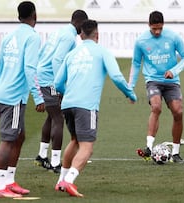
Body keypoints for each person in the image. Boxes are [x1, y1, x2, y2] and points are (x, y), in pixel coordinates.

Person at [53, 20, 137, 197]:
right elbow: (116, 75)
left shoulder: (72, 54)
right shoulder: (102, 52)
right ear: (97, 35)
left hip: (68, 103)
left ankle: (61, 180)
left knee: (75, 140)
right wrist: (130, 94)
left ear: (81, 35)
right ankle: (69, 181)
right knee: (87, 147)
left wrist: (69, 94)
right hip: (86, 106)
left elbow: (58, 83)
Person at [0, 1, 45, 198]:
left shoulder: (9, 36)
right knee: (9, 139)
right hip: (13, 96)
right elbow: (30, 68)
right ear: (34, 15)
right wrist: (39, 97)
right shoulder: (32, 37)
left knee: (19, 136)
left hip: (5, 93)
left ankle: (9, 181)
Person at [128, 11, 184, 163]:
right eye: (154, 29)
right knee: (156, 107)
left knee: (178, 112)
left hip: (171, 81)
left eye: (160, 29)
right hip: (153, 80)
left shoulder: (173, 37)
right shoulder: (141, 41)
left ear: (163, 26)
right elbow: (136, 64)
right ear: (149, 25)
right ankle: (149, 148)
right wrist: (130, 86)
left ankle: (175, 153)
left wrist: (174, 71)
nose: (157, 32)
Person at [35, 9, 88, 173]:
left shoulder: (60, 31)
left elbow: (43, 53)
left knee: (52, 117)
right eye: (83, 25)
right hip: (50, 79)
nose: (83, 30)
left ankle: (42, 156)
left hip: (44, 75)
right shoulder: (68, 36)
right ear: (78, 23)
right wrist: (60, 84)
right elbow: (57, 59)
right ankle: (56, 162)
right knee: (58, 118)